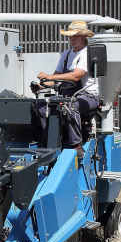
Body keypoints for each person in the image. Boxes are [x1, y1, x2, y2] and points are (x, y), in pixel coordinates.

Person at [31, 20, 100, 152]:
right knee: (40, 106)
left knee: (69, 106)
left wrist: (50, 77)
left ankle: (76, 146)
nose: (71, 39)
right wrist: (41, 86)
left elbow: (76, 76)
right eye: (70, 36)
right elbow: (56, 79)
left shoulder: (87, 53)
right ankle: (47, 142)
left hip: (88, 96)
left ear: (83, 36)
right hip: (68, 96)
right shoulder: (66, 54)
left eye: (75, 36)